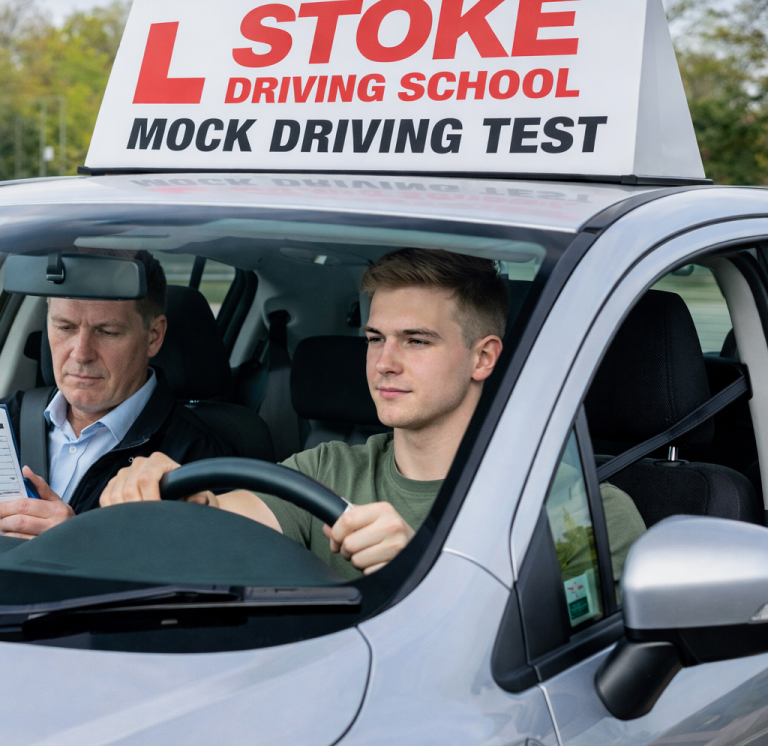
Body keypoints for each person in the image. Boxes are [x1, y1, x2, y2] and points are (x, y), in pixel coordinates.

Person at [100, 248, 645, 580]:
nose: (385, 363)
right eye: (375, 338)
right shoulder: (327, 471)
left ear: (483, 357)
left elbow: (592, 692)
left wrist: (425, 573)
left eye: (416, 341)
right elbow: (221, 519)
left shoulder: (578, 512)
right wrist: (174, 495)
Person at [0, 250, 229, 539]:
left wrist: (77, 545)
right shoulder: (8, 420)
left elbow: (197, 575)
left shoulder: (196, 459)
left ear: (154, 336)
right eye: (65, 327)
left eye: (107, 332)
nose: (81, 353)